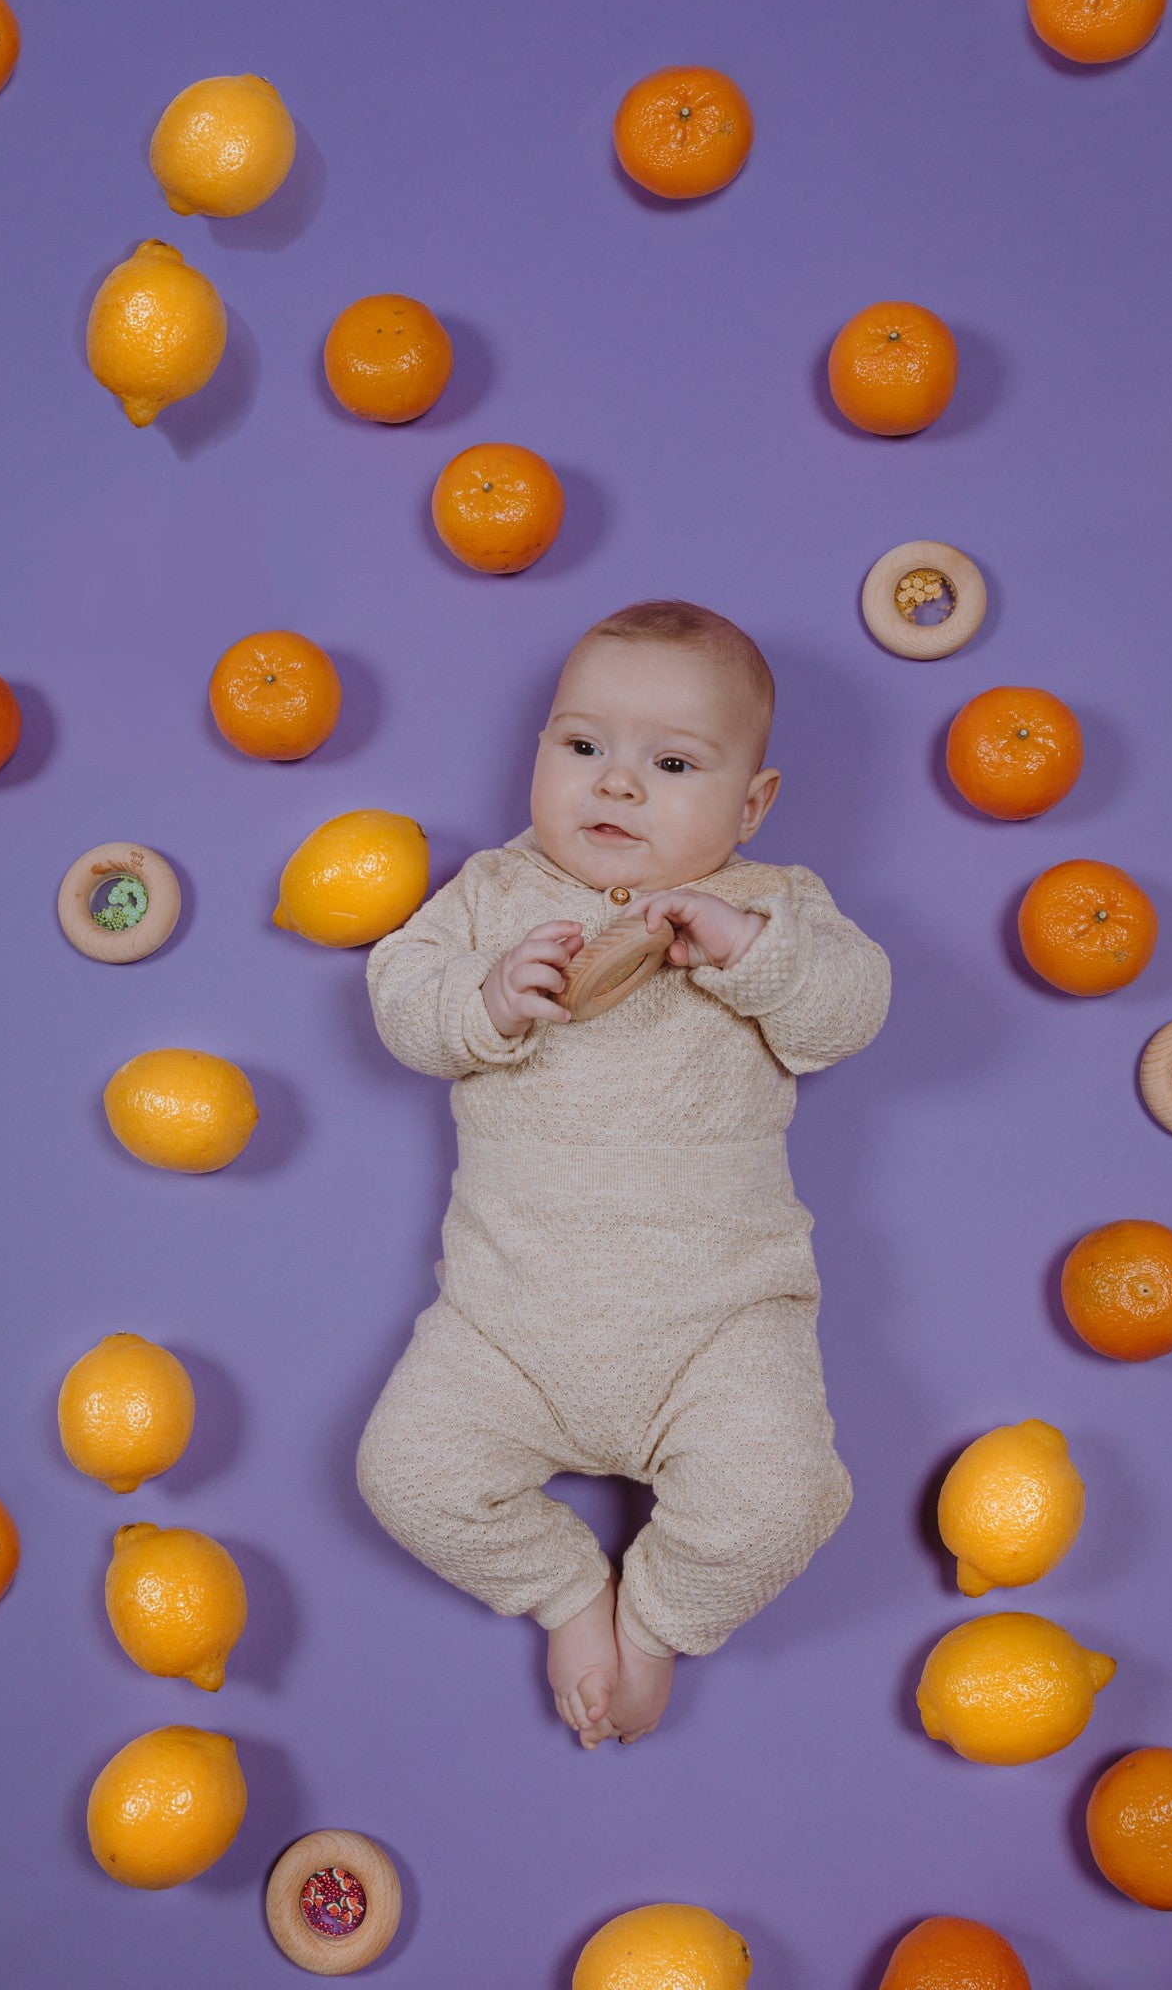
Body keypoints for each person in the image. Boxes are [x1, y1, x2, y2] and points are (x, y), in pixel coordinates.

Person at [356, 599, 891, 1747]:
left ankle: (650, 1621)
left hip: (717, 1323)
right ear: (538, 748)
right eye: (582, 744)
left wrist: (752, 955)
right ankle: (562, 1589)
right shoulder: (493, 897)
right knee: (406, 1476)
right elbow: (403, 996)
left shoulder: (771, 906)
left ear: (749, 805)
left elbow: (851, 1009)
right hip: (507, 1324)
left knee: (780, 1500)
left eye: (672, 762)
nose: (614, 786)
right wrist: (483, 996)